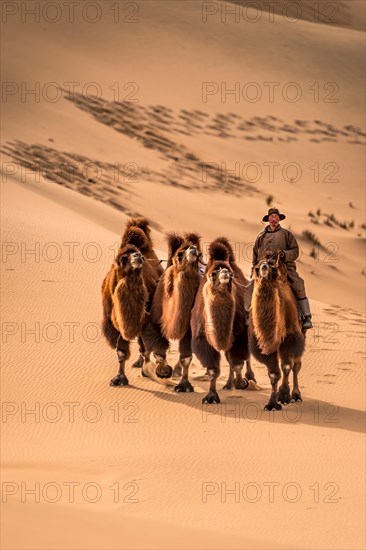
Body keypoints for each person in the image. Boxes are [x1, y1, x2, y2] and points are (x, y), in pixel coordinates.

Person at [251, 207, 313, 330]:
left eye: (276, 216)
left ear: (279, 219)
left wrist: (285, 254)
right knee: (249, 288)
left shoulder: (287, 234)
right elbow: (254, 255)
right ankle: (248, 316)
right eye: (271, 217)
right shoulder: (260, 237)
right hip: (262, 269)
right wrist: (253, 270)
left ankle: (306, 317)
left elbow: (295, 251)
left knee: (298, 284)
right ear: (268, 219)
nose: (273, 219)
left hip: (283, 268)